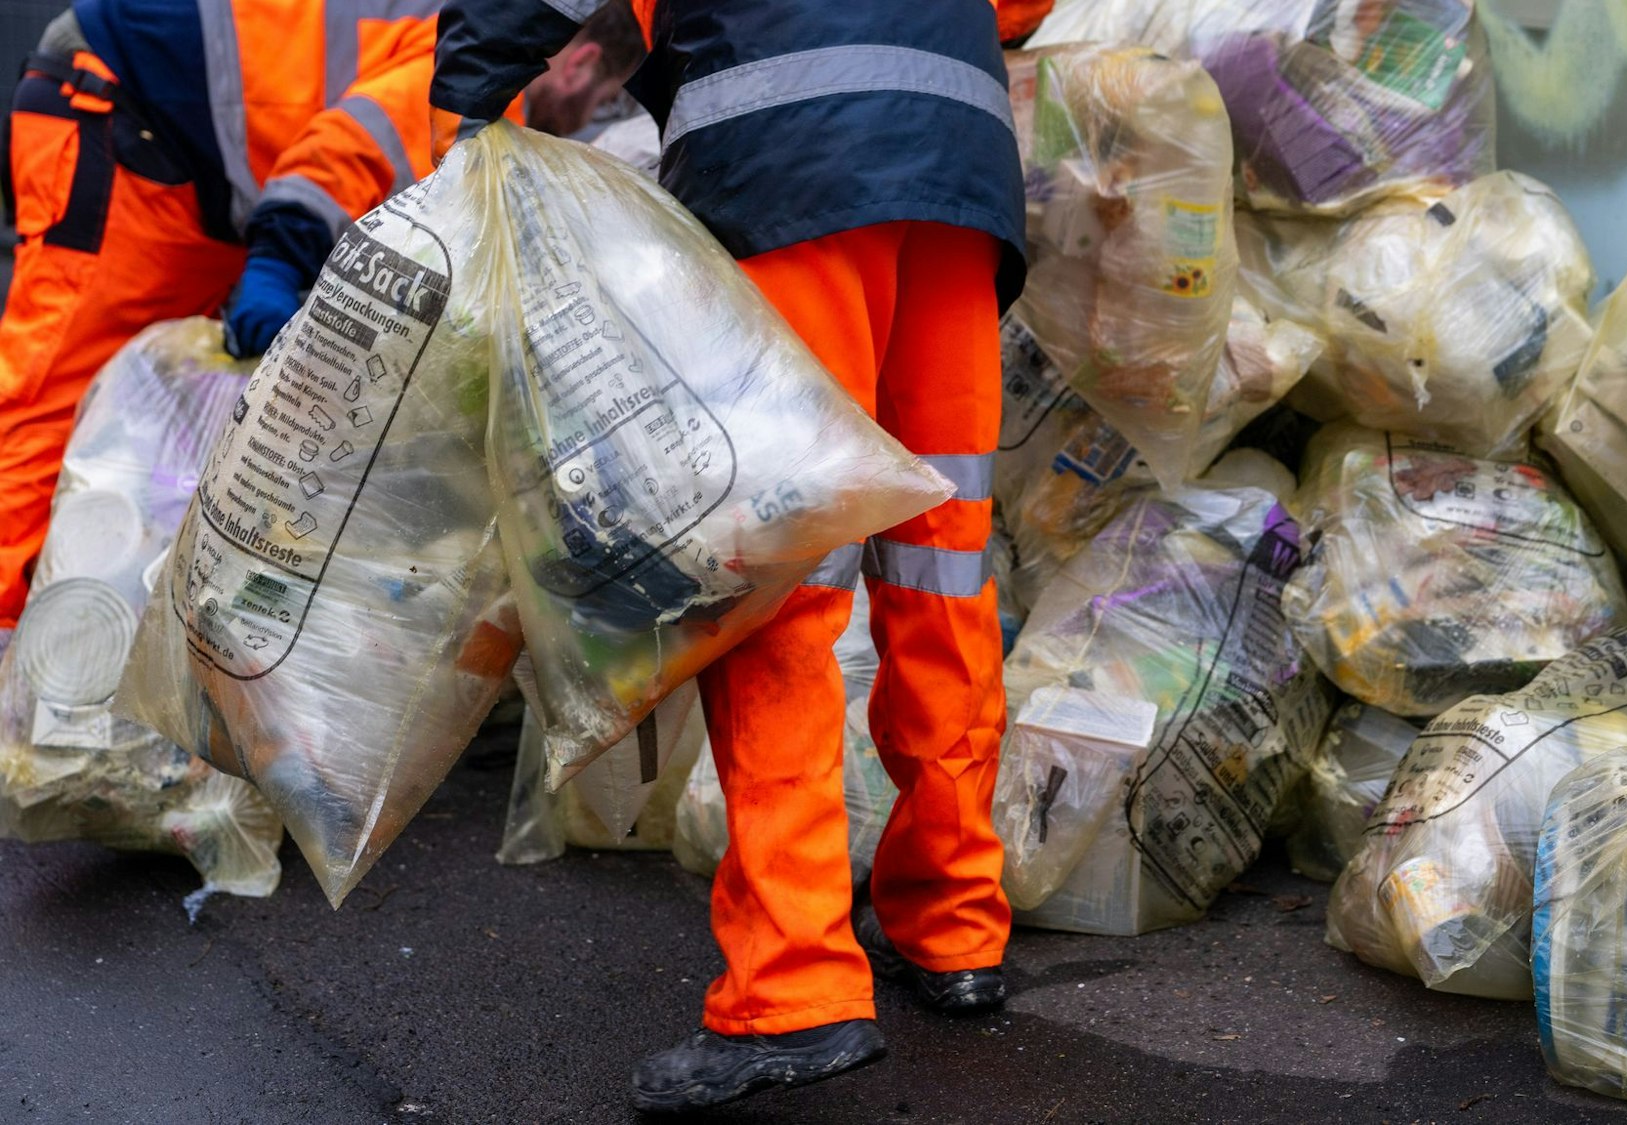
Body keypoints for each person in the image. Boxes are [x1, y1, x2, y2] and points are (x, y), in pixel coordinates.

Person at [432, 0, 1026, 1113]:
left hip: (789, 153)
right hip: (957, 161)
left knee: (774, 584)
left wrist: (462, 106)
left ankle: (792, 995)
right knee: (938, 557)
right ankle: (954, 927)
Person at [0, 0, 643, 631]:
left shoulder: (455, 32)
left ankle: (89, 630)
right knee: (55, 401)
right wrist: (279, 263)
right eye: (599, 99)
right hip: (117, 103)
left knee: (148, 420)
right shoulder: (484, 72)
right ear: (581, 63)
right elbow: (342, 154)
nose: (584, 119)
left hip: (184, 153)